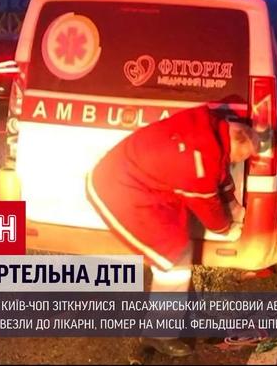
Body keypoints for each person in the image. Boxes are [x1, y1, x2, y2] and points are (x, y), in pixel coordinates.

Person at [85, 105, 257, 357]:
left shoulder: (212, 129)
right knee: (174, 257)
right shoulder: (198, 160)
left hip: (135, 181)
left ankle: (182, 313)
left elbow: (220, 173)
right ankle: (158, 333)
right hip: (121, 192)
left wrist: (233, 205)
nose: (233, 164)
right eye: (236, 160)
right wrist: (227, 229)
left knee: (178, 245)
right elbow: (209, 209)